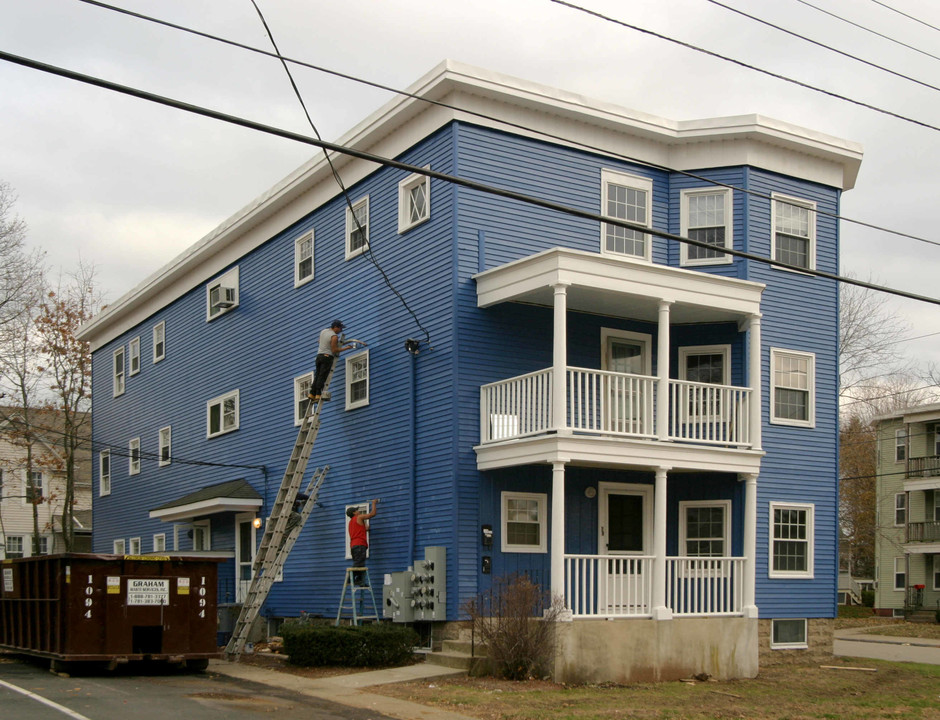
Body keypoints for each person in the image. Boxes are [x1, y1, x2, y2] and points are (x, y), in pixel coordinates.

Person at [308, 320, 353, 402]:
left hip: (319, 356)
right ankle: (318, 394)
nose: (341, 330)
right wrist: (347, 348)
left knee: (317, 375)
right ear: (335, 327)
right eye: (340, 328)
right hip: (327, 357)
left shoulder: (323, 331)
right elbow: (334, 350)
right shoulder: (334, 336)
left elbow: (319, 341)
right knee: (322, 376)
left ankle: (312, 393)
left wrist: (327, 343)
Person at [347, 499, 378, 587]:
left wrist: (365, 527)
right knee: (358, 564)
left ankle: (360, 581)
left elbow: (363, 529)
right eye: (357, 510)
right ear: (354, 513)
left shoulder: (351, 522)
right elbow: (372, 514)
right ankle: (350, 579)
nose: (358, 511)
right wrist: (374, 503)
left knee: (360, 564)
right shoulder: (359, 518)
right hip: (360, 544)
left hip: (353, 546)